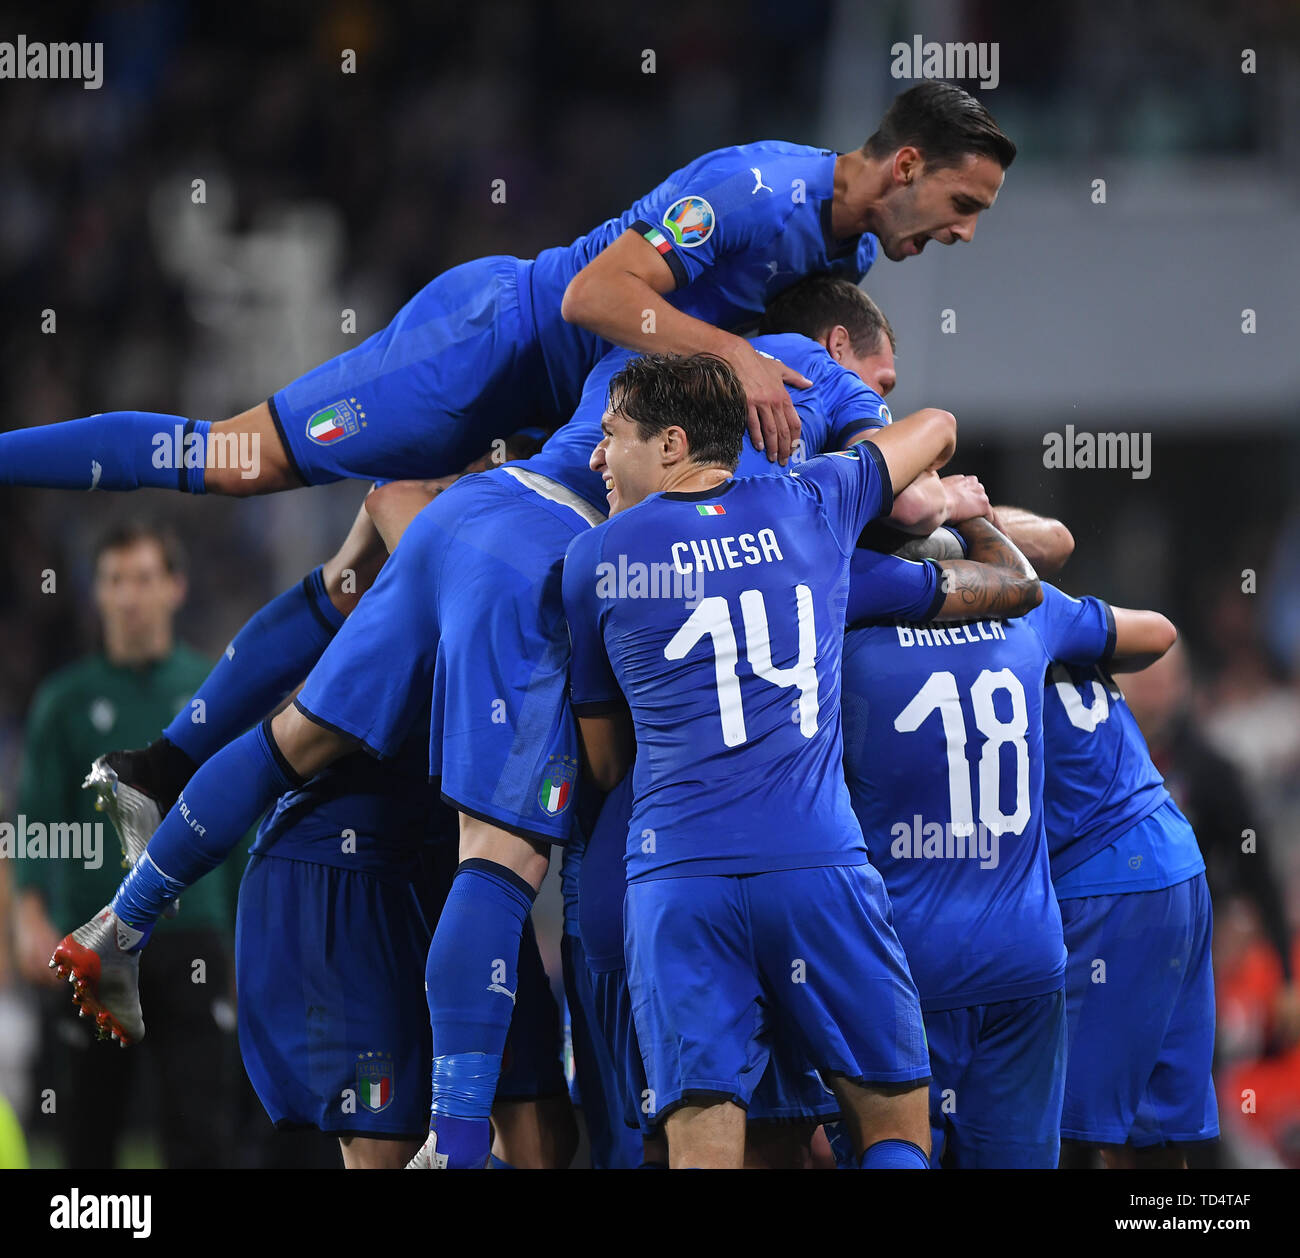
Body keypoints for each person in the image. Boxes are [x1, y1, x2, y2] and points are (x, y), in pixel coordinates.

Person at [63, 84, 1017, 880]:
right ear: (906, 168)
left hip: (572, 421)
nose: (968, 235)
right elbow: (593, 297)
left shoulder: (844, 260)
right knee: (238, 463)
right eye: (965, 207)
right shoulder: (755, 187)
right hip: (498, 343)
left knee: (368, 577)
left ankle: (159, 769)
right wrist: (745, 365)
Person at [562, 353, 959, 1168]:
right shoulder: (813, 500)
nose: (597, 457)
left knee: (706, 1146)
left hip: (677, 882)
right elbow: (940, 428)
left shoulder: (594, 560)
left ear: (671, 445)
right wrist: (926, 494)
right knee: (892, 1125)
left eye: (611, 437)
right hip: (816, 865)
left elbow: (604, 764)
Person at [13, 522, 243, 1167]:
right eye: (116, 580)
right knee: (88, 1127)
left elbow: (246, 826)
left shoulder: (215, 690)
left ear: (175, 588)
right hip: (94, 936)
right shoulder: (63, 702)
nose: (130, 596)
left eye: (144, 578)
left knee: (200, 1127)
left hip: (193, 932)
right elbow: (34, 818)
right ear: (97, 594)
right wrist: (27, 912)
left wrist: (250, 931)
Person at [1045, 641, 1220, 1168]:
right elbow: (1159, 631)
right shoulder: (1058, 616)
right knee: (1152, 1136)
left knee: (1064, 1128)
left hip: (1106, 876)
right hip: (1176, 859)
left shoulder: (969, 632)